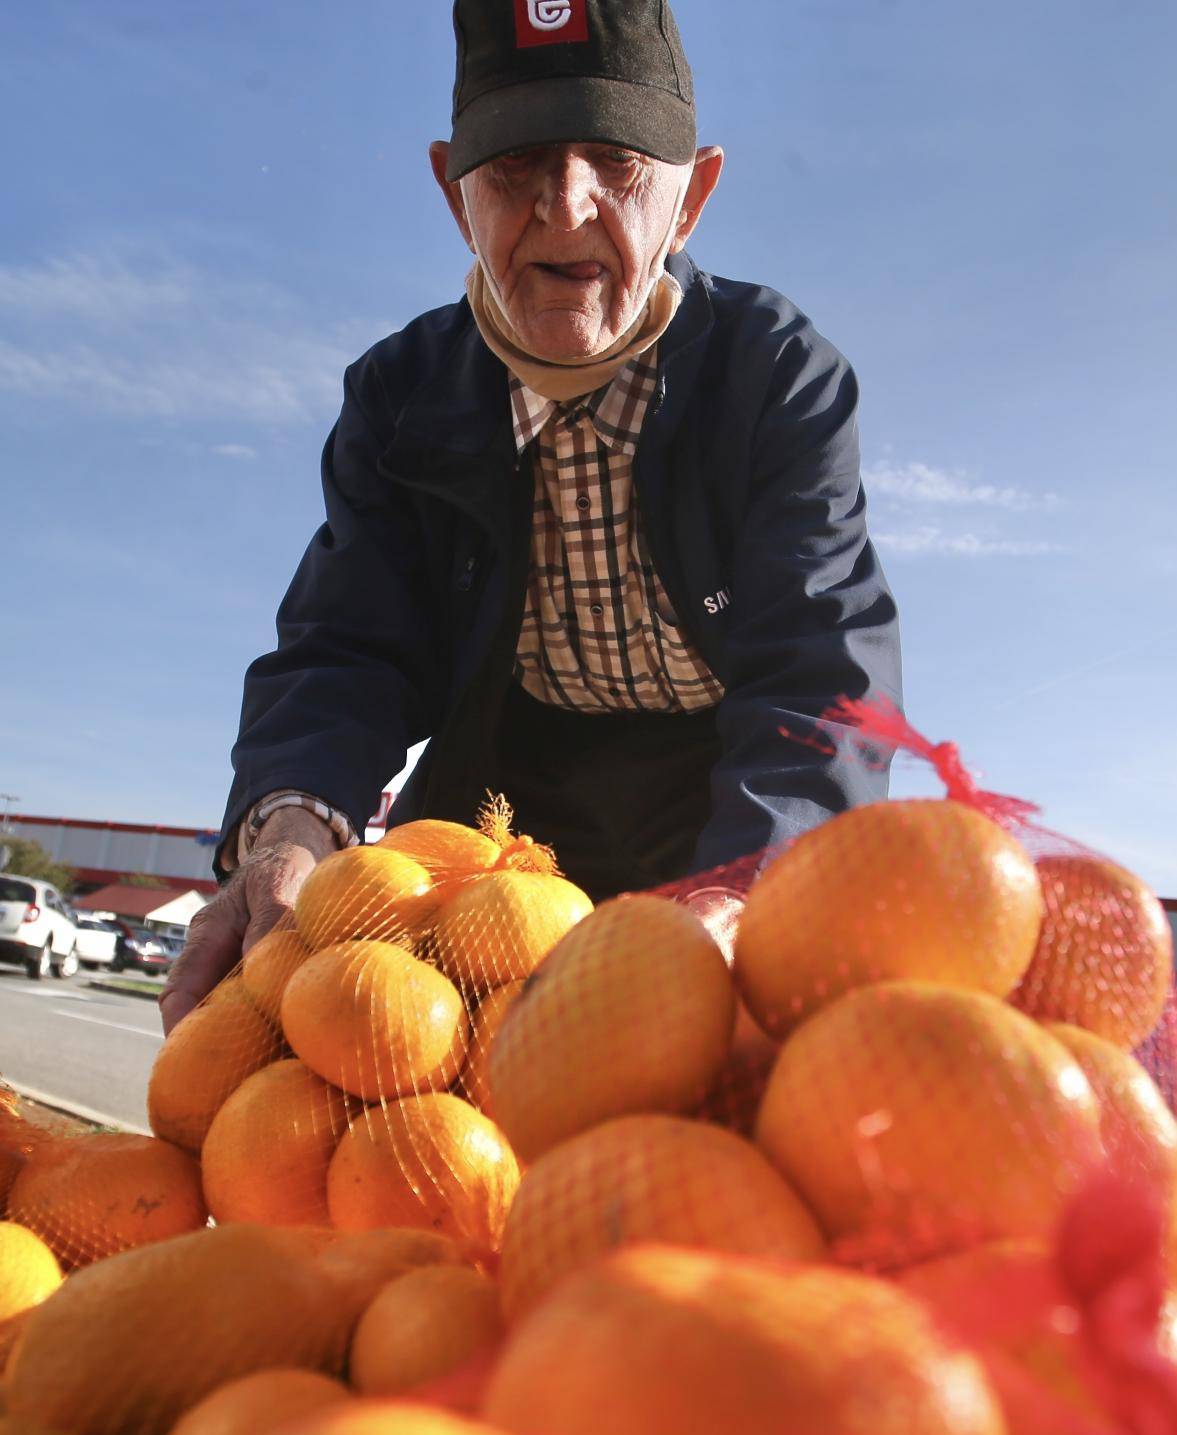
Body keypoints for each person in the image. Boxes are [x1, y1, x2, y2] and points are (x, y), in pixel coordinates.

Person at [161, 0, 901, 1035]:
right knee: (384, 1060)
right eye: (513, 166)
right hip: (496, 809)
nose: (563, 208)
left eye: (617, 161)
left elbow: (818, 674)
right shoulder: (399, 392)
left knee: (692, 1097)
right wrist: (291, 815)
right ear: (452, 193)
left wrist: (743, 891)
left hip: (723, 795)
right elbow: (345, 645)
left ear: (690, 199)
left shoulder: (774, 373)